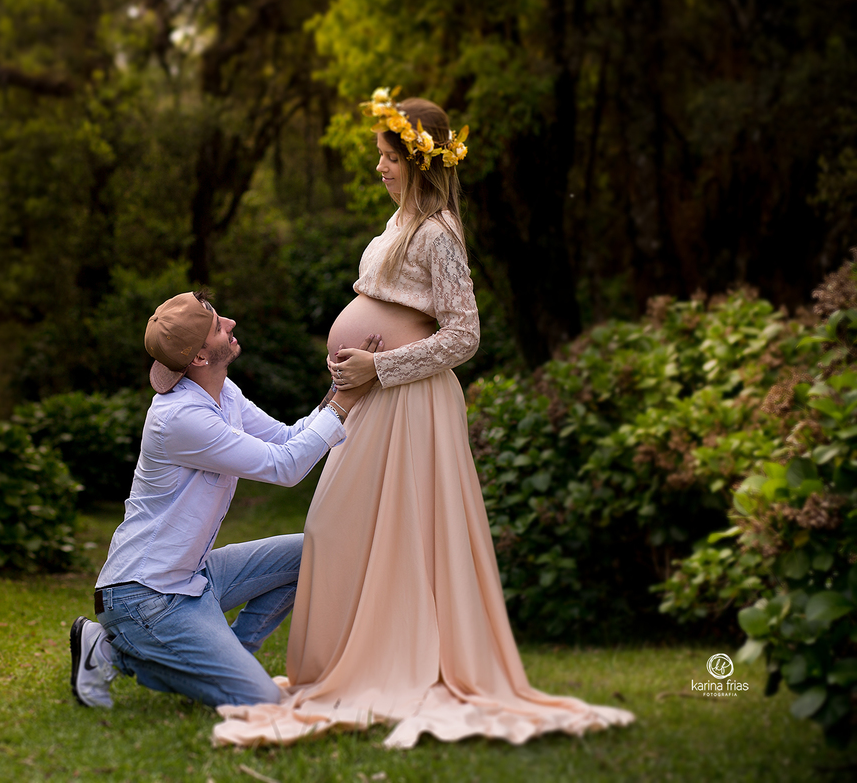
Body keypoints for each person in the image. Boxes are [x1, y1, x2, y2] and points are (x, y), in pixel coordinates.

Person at [213, 90, 635, 748]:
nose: (379, 168)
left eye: (388, 158)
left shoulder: (438, 233)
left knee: (374, 533)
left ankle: (389, 661)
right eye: (380, 157)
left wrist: (378, 369)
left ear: (419, 161)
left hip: (408, 405)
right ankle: (324, 662)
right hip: (375, 404)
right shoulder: (397, 226)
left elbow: (465, 336)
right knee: (335, 528)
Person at [70, 291, 378, 710]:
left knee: (314, 553)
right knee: (261, 699)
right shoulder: (179, 418)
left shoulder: (223, 393)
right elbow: (286, 467)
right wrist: (348, 396)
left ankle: (226, 655)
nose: (230, 322)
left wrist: (339, 384)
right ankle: (111, 652)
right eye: (218, 326)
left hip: (195, 577)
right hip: (146, 596)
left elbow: (288, 438)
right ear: (198, 357)